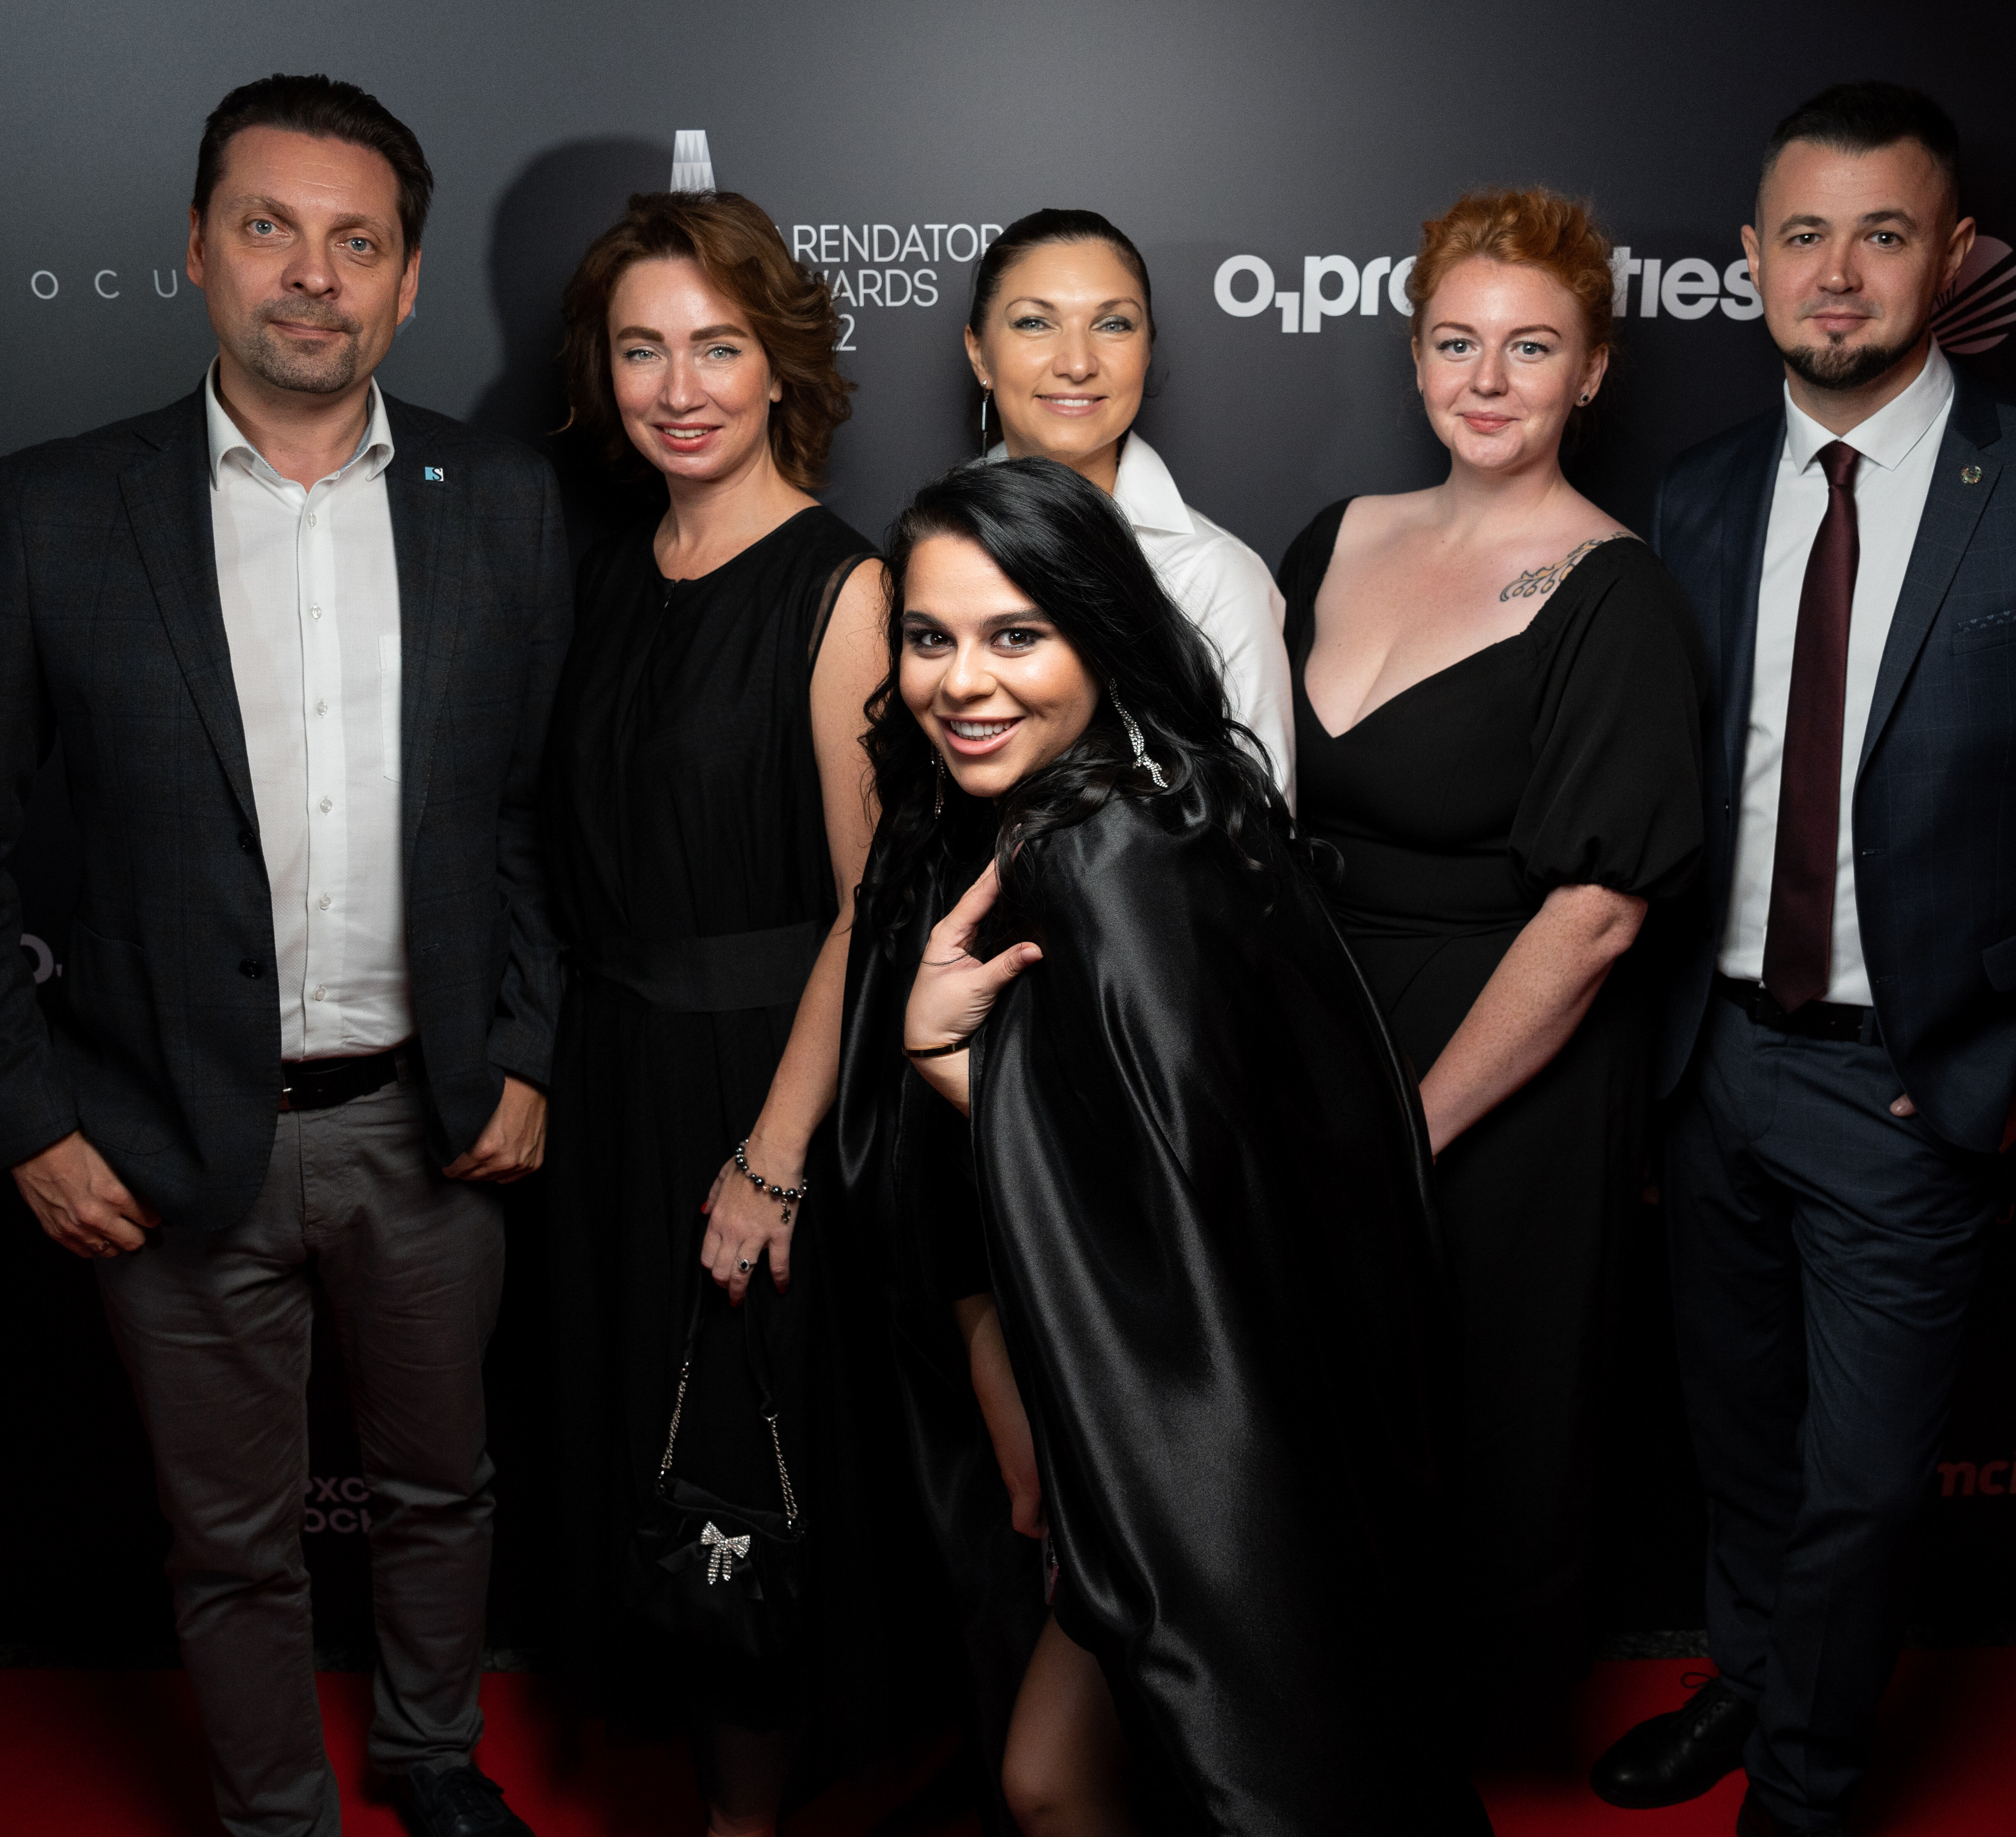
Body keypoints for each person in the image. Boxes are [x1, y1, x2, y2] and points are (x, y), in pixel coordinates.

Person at [0, 75, 564, 1837]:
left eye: (358, 242)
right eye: (271, 228)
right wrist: (32, 1122)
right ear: (198, 248)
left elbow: (536, 811)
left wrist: (525, 1045)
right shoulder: (57, 508)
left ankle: (432, 1758)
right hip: (168, 1137)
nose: (313, 276)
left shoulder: (503, 499)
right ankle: (275, 1813)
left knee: (441, 1486)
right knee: (233, 1536)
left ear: (408, 280)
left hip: (432, 1124)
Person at [1588, 84, 2016, 1837]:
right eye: (1802, 235)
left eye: (1881, 234)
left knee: (1860, 1488)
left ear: (1951, 256)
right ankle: (1744, 1676)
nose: (1836, 274)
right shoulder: (1697, 495)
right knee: (1738, 1443)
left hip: (1909, 1085)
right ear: (1750, 260)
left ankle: (1802, 1786)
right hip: (1709, 1063)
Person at [836, 459, 1491, 1837]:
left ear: (1098, 632)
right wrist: (1001, 1354)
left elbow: (1169, 1180)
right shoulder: (1056, 809)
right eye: (929, 636)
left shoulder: (1115, 848)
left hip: (1216, 1424)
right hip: (1149, 1394)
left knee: (1220, 1773)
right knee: (1060, 1774)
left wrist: (950, 1067)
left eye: (1016, 635)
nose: (962, 681)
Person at [1275, 186, 1707, 1695]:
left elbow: (1593, 918)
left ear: (1591, 372)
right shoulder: (1334, 538)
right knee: (1303, 1403)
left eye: (1531, 346)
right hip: (1318, 1026)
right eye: (1455, 341)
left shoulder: (1614, 593)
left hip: (1499, 1070)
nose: (1486, 377)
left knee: (1463, 1414)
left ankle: (1426, 1747)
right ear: (1411, 360)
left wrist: (1406, 1131)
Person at [536, 187, 922, 1837]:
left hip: (763, 1086)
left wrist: (771, 1155)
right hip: (615, 1079)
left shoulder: (843, 590)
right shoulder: (610, 572)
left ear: (781, 365)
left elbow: (873, 905)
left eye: (716, 345)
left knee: (753, 1462)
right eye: (642, 350)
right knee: (648, 1444)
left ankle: (746, 1818)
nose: (678, 386)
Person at [964, 209, 1295, 802]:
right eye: (1035, 323)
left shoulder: (1216, 577)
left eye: (1113, 325)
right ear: (980, 355)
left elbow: (1262, 827)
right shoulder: (928, 547)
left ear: (1145, 352)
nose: (1077, 364)